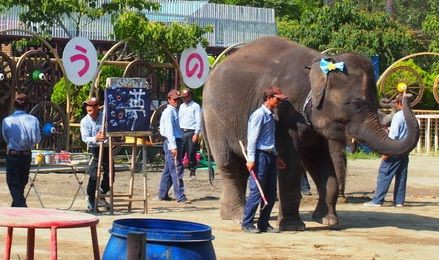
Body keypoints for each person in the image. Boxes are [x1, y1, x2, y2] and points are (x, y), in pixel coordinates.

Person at [242, 86, 287, 233]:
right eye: (277, 99)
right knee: (256, 191)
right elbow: (253, 138)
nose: (279, 102)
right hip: (260, 156)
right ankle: (247, 223)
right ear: (269, 98)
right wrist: (251, 159)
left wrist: (276, 156)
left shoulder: (271, 116)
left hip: (270, 156)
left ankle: (263, 223)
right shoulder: (259, 115)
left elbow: (269, 139)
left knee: (271, 192)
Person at [363, 93, 409, 207]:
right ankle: (399, 201)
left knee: (385, 173)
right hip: (405, 150)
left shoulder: (398, 116)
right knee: (401, 176)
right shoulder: (412, 116)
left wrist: (386, 152)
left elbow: (393, 135)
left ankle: (377, 200)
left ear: (398, 103)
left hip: (394, 149)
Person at [2, 93, 41, 207]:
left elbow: (5, 138)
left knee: (14, 184)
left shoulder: (7, 121)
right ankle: (17, 207)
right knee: (21, 183)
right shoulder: (33, 120)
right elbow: (37, 139)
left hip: (13, 155)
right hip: (26, 155)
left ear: (14, 105)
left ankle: (21, 207)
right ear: (27, 106)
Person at [80, 97, 113, 211]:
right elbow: (85, 138)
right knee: (94, 174)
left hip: (106, 148)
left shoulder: (105, 117)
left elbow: (112, 131)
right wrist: (96, 138)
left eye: (91, 106)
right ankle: (91, 198)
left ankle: (101, 194)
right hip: (94, 149)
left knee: (110, 173)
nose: (88, 108)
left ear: (97, 107)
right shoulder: (84, 121)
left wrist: (106, 136)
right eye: (87, 106)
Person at [158, 89, 190, 203]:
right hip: (173, 142)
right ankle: (180, 196)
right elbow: (170, 131)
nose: (177, 101)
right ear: (169, 100)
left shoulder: (174, 111)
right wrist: (173, 147)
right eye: (174, 99)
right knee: (177, 169)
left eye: (178, 99)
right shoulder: (169, 112)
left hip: (175, 141)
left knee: (169, 169)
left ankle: (162, 193)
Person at [178, 88, 202, 179]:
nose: (184, 99)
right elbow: (179, 118)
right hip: (181, 131)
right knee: (180, 152)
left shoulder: (195, 106)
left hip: (191, 131)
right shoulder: (181, 106)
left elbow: (198, 120)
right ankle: (179, 171)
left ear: (190, 96)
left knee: (191, 152)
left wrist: (196, 133)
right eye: (183, 97)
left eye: (186, 97)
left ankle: (192, 171)